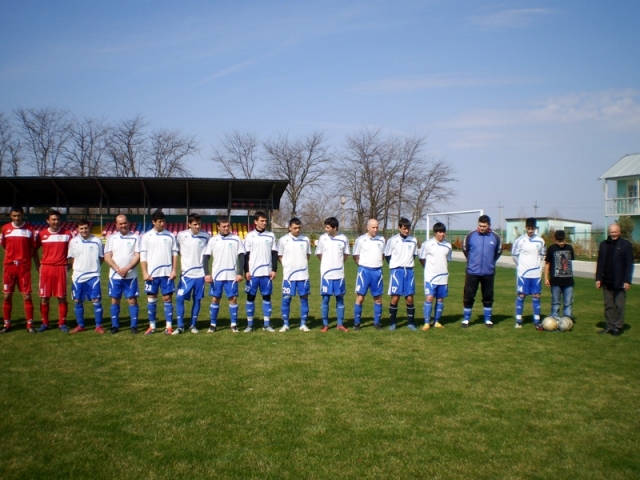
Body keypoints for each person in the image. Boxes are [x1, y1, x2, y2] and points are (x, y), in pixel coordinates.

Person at [203, 216, 245, 333]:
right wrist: (207, 273)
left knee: (233, 299)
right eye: (224, 226)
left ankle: (233, 324)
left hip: (231, 276)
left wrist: (240, 273)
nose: (226, 228)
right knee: (215, 299)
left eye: (228, 226)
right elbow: (206, 257)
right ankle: (213, 324)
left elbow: (241, 257)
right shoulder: (213, 240)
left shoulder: (236, 239)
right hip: (217, 277)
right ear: (218, 227)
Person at [1, 206, 38, 333]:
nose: (17, 218)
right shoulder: (5, 228)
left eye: (19, 215)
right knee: (7, 296)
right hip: (9, 266)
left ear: (23, 215)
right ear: (11, 216)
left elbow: (33, 248)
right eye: (14, 216)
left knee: (27, 296)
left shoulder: (29, 229)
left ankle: (30, 325)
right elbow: (5, 246)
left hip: (23, 267)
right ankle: (7, 325)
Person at [140, 209, 178, 335]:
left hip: (167, 274)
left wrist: (173, 270)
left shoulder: (170, 236)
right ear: (153, 222)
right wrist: (145, 273)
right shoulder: (146, 237)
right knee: (151, 299)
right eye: (160, 221)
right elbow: (143, 257)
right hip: (152, 275)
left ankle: (169, 326)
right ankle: (152, 326)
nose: (162, 224)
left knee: (167, 299)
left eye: (163, 221)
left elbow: (174, 254)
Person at [462, 214, 502, 328]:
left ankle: (488, 319)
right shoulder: (470, 235)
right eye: (480, 225)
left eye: (484, 226)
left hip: (488, 272)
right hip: (472, 272)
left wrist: (490, 263)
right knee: (469, 296)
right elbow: (465, 250)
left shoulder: (496, 237)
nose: (482, 228)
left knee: (488, 296)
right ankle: (466, 319)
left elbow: (498, 252)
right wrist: (472, 262)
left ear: (489, 225)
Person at [174, 213, 211, 335]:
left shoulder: (206, 236)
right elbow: (177, 250)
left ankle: (193, 325)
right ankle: (180, 326)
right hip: (186, 274)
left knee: (197, 299)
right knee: (179, 298)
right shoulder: (181, 236)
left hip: (200, 274)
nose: (197, 226)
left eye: (199, 224)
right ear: (189, 224)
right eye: (195, 224)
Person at [104, 214, 141, 334]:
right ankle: (115, 325)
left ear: (128, 223)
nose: (123, 225)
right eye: (120, 223)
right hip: (114, 276)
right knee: (115, 300)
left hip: (130, 276)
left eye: (125, 223)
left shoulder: (136, 237)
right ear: (116, 225)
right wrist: (117, 268)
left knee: (132, 300)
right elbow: (107, 255)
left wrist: (127, 268)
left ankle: (134, 326)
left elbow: (137, 255)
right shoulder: (111, 238)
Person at [36, 210, 72, 332]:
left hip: (61, 268)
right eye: (53, 219)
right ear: (48, 221)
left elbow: (73, 251)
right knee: (44, 297)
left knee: (61, 297)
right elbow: (33, 250)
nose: (56, 222)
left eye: (58, 219)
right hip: (46, 268)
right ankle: (44, 323)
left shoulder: (67, 234)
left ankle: (62, 323)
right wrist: (37, 265)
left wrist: (70, 264)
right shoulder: (42, 234)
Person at [595, 223, 634, 336]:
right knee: (608, 305)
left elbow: (629, 264)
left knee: (619, 305)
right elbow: (600, 263)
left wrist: (627, 280)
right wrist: (598, 279)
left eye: (615, 232)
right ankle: (609, 326)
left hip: (620, 281)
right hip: (606, 281)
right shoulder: (603, 244)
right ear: (609, 232)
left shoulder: (626, 245)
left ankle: (617, 327)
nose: (614, 234)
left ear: (619, 232)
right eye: (612, 232)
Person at [243, 211, 278, 333]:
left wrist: (274, 269)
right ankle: (250, 324)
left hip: (266, 273)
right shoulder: (249, 236)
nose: (264, 223)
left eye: (265, 221)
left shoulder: (271, 236)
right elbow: (246, 255)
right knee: (250, 298)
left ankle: (267, 324)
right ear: (255, 221)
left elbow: (274, 254)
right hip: (253, 274)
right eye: (262, 221)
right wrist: (246, 271)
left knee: (267, 298)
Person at [68, 219, 104, 333]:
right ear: (78, 229)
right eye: (81, 228)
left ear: (89, 228)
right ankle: (81, 325)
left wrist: (93, 267)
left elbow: (101, 257)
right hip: (78, 276)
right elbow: (71, 258)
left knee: (96, 300)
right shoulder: (73, 242)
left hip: (93, 275)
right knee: (78, 300)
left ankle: (98, 326)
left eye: (86, 228)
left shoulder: (97, 241)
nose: (84, 230)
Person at [316, 216, 350, 332]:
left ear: (335, 228)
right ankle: (325, 324)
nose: (326, 229)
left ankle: (340, 324)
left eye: (328, 227)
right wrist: (328, 265)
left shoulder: (343, 238)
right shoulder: (322, 239)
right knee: (325, 299)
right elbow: (319, 254)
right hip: (326, 276)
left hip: (339, 275)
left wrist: (337, 264)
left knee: (340, 300)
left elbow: (345, 255)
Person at [384, 217, 418, 330]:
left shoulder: (413, 240)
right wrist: (395, 265)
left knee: (409, 298)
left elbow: (414, 255)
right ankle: (393, 323)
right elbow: (387, 255)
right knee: (395, 297)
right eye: (404, 228)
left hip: (408, 271)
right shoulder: (392, 240)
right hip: (397, 271)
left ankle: (410, 323)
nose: (407, 231)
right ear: (399, 228)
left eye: (408, 228)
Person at [278, 217, 311, 332]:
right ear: (289, 228)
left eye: (299, 228)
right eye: (295, 228)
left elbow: (308, 255)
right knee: (286, 299)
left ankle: (303, 324)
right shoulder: (283, 240)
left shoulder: (305, 239)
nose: (297, 230)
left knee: (304, 299)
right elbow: (280, 255)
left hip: (303, 276)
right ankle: (286, 324)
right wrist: (287, 266)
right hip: (289, 276)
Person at [512, 217, 546, 330]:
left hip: (536, 274)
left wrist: (535, 266)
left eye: (533, 228)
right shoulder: (520, 240)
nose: (531, 231)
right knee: (521, 295)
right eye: (529, 228)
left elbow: (542, 255)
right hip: (523, 274)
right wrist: (522, 266)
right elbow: (514, 255)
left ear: (536, 228)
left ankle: (537, 321)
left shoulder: (540, 241)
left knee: (536, 296)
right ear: (526, 228)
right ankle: (519, 320)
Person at [353, 219, 385, 330]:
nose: (375, 229)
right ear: (368, 227)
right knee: (360, 298)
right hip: (364, 271)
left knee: (378, 298)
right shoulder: (360, 240)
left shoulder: (381, 240)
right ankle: (357, 324)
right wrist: (362, 266)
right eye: (373, 227)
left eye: (377, 227)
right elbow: (355, 255)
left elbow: (383, 255)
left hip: (377, 272)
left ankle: (377, 323)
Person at [419, 222, 452, 330]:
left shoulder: (448, 246)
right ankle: (427, 322)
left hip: (443, 278)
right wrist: (429, 270)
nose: (443, 234)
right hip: (430, 278)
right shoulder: (427, 244)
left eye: (444, 232)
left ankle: (437, 321)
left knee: (440, 299)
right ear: (435, 233)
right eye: (440, 232)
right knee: (429, 298)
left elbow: (448, 260)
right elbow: (421, 258)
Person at [544, 230, 575, 318]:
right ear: (555, 240)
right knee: (555, 302)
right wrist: (546, 278)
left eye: (563, 241)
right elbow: (547, 264)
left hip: (568, 281)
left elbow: (570, 262)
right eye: (559, 241)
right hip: (555, 281)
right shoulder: (551, 249)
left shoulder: (569, 248)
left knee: (568, 302)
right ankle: (554, 318)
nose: (561, 243)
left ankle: (567, 318)